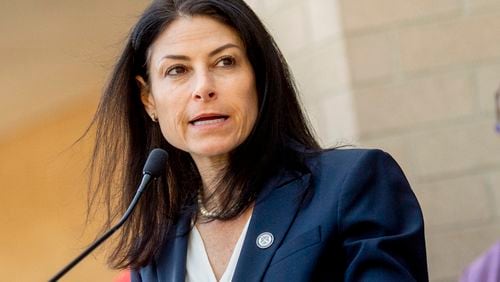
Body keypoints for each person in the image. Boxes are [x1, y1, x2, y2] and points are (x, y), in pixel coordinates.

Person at [88, 0, 428, 281]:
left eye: (225, 62)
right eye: (177, 70)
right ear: (148, 99)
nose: (203, 87)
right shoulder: (156, 251)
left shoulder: (353, 181)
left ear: (259, 78)